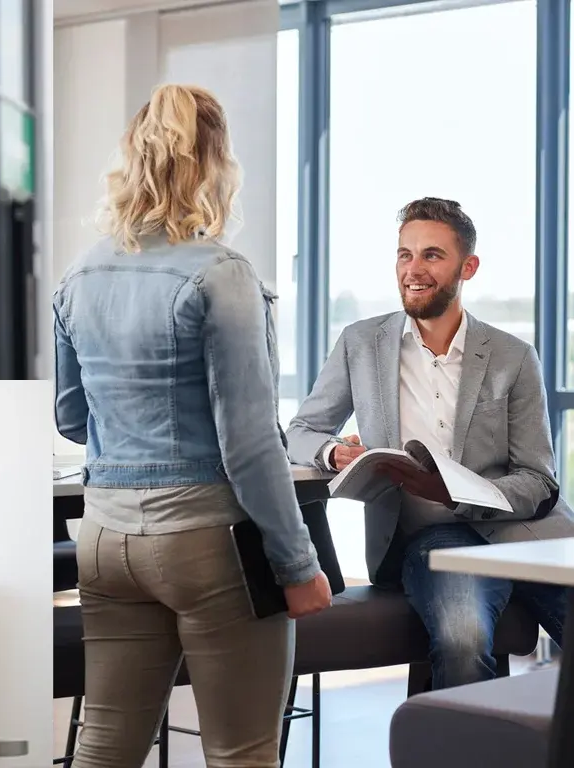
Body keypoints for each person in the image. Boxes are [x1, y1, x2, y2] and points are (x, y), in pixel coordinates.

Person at [52, 84, 332, 767]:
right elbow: (249, 442)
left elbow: (68, 415)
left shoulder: (79, 273)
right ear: (213, 164)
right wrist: (299, 564)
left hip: (104, 541)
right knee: (241, 752)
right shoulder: (221, 274)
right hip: (206, 547)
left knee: (105, 746)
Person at [286, 198, 574, 690]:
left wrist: (457, 491)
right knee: (462, 639)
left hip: (525, 531)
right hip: (431, 539)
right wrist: (335, 453)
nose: (413, 270)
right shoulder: (361, 343)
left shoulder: (512, 355)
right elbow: (300, 432)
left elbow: (538, 479)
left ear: (468, 267)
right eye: (404, 255)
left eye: (431, 256)